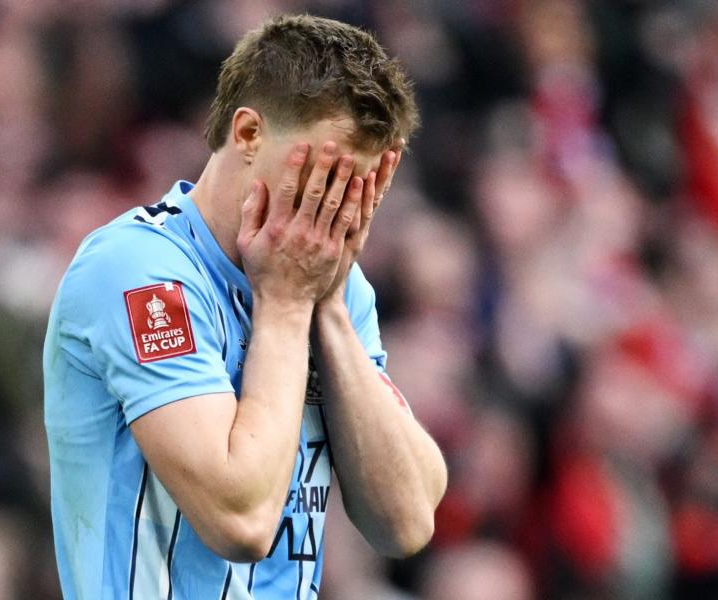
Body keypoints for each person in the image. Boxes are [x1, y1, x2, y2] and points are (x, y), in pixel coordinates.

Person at [43, 14, 447, 600]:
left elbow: (407, 522)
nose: (334, 211)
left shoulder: (333, 283)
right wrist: (285, 304)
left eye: (358, 189)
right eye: (321, 174)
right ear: (250, 134)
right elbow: (242, 521)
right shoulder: (139, 272)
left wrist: (328, 309)